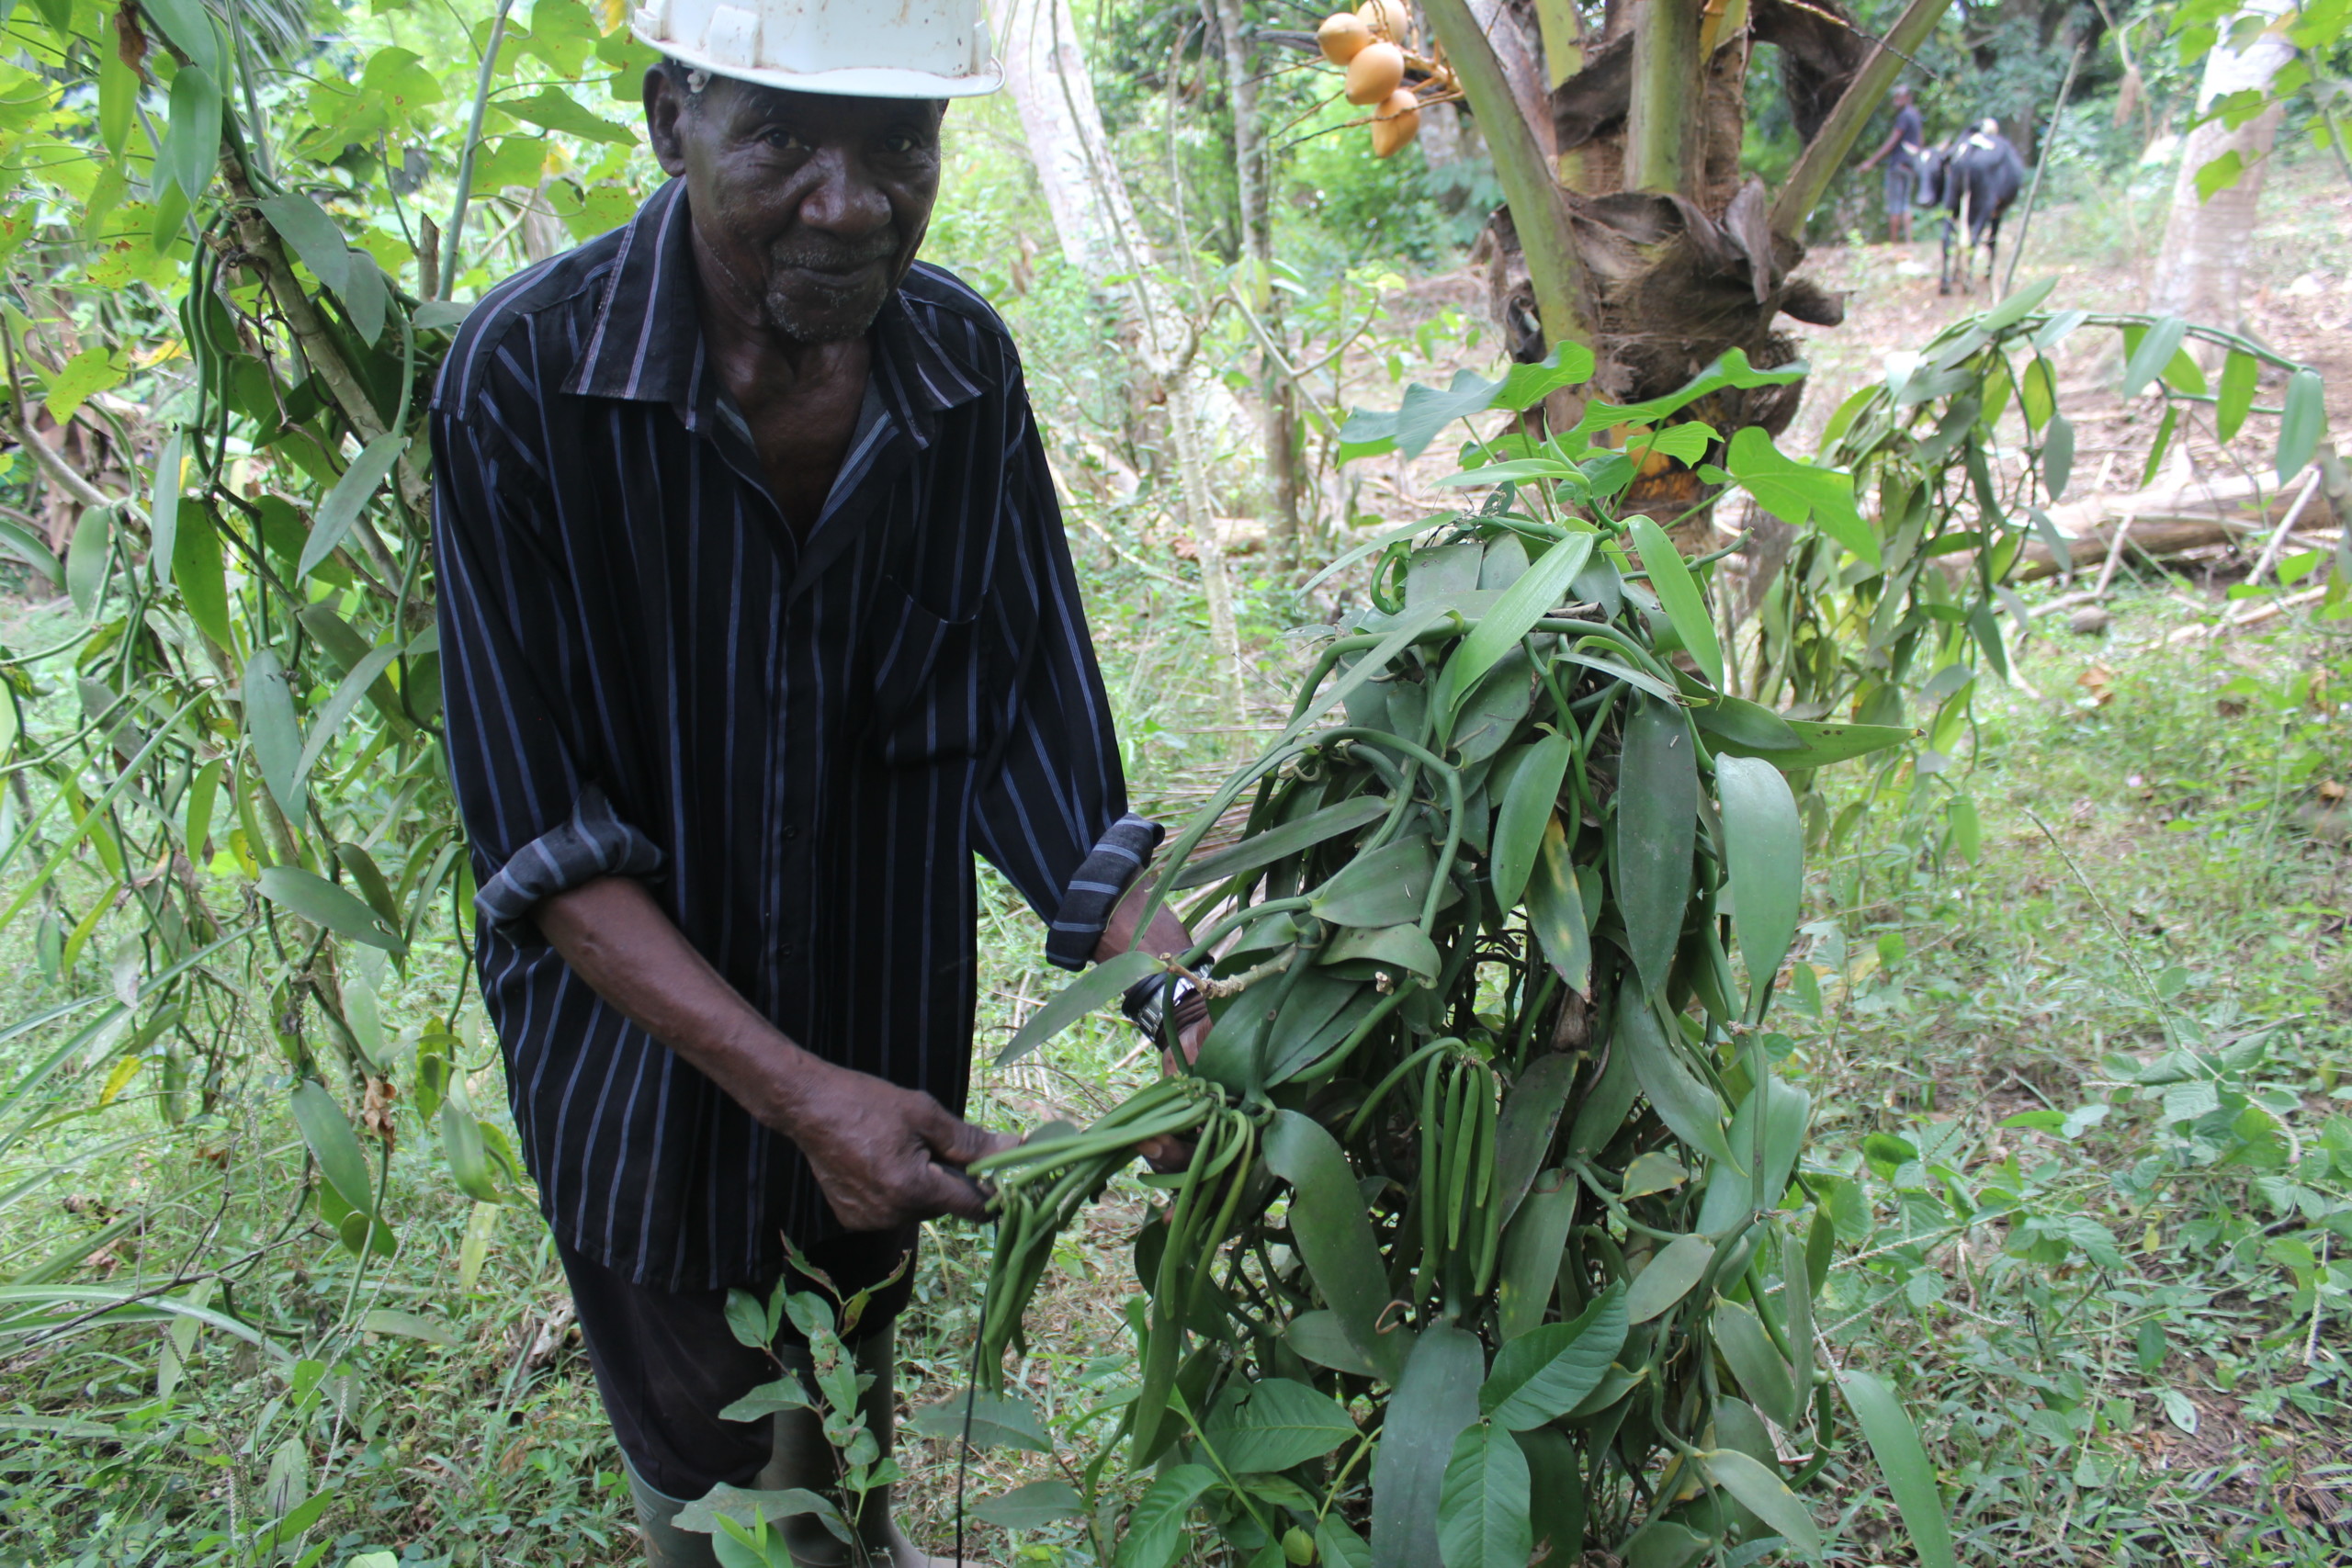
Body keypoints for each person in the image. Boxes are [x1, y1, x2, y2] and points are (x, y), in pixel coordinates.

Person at [427, 2, 1207, 1562]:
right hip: (645, 1075)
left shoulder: (959, 369)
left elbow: (1027, 726)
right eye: (783, 137)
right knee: (712, 1461)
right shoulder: (528, 378)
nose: (849, 201)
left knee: (845, 1377)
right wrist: (796, 1098)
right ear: (672, 122)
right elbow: (545, 838)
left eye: (897, 143)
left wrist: (1181, 1000)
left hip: (880, 1032)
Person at [1858, 85, 1928, 243]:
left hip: (1897, 165)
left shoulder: (1903, 116)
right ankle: (1909, 241)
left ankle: (1894, 242)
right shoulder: (1916, 115)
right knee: (1906, 203)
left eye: (1899, 97)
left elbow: (1892, 141)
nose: (1895, 101)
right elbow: (1920, 140)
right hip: (1910, 165)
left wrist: (1871, 161)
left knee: (1895, 204)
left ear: (1907, 98)